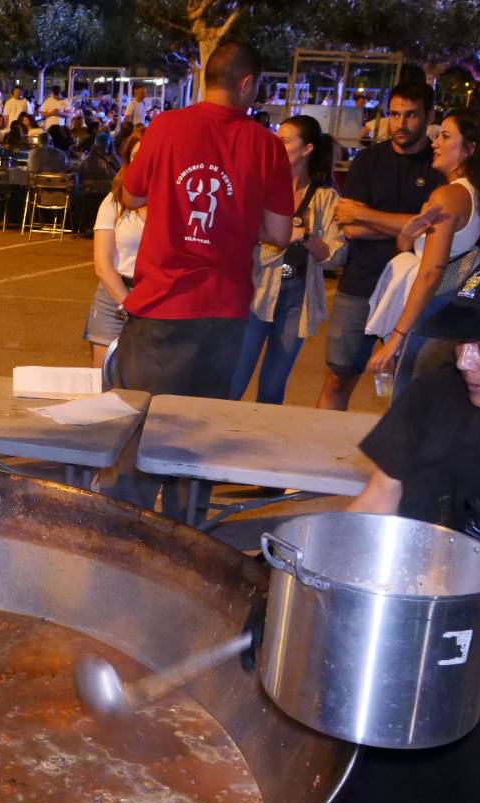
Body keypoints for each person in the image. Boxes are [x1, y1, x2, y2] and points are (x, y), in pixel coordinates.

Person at [316, 252, 480, 803]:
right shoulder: (441, 392)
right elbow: (378, 500)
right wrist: (305, 579)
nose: (466, 361)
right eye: (462, 344)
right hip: (409, 643)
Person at [111, 42, 292, 515]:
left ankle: (117, 539)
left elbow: (130, 197)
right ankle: (185, 545)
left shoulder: (166, 127)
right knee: (198, 443)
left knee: (138, 434)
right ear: (248, 83)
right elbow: (278, 233)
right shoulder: (266, 145)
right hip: (224, 312)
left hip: (159, 306)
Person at [316, 81, 444, 410]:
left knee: (404, 388)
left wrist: (367, 215)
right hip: (360, 285)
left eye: (411, 115)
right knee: (338, 378)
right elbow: (351, 227)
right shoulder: (368, 161)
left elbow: (435, 231)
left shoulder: (440, 168)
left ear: (429, 116)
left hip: (413, 293)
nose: (400, 123)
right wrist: (410, 225)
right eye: (394, 114)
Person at [365, 108, 480, 396]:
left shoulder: (450, 196)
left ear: (470, 149)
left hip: (430, 311)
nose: (435, 143)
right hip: (449, 308)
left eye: (445, 136)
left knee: (409, 407)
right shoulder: (478, 194)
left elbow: (430, 273)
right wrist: (409, 231)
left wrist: (397, 339)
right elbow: (412, 252)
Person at [230, 115, 347, 404]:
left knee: (273, 385)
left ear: (306, 149)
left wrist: (305, 236)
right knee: (234, 377)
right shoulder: (261, 185)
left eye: (284, 140)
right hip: (257, 289)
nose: (276, 144)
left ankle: (260, 445)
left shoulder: (325, 197)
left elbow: (336, 256)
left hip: (297, 293)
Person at [84, 133, 145, 368]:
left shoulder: (171, 203)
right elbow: (102, 265)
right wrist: (128, 304)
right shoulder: (113, 202)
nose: (143, 163)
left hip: (155, 299)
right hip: (114, 300)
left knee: (145, 384)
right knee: (104, 383)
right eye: (136, 157)